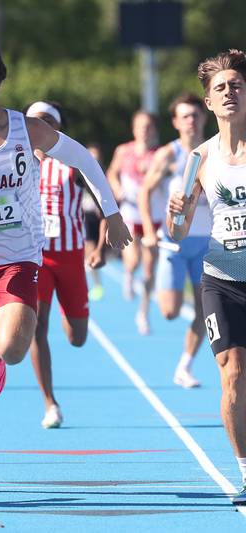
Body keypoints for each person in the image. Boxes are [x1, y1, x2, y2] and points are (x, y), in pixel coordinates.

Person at [0, 39, 131, 493]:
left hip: (17, 257)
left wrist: (111, 212)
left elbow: (84, 161)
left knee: (15, 347)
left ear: (0, 87)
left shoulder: (26, 130)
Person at [168, 49, 246, 505]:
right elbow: (177, 230)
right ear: (208, 103)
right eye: (220, 88)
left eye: (236, 84)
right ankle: (244, 471)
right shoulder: (200, 157)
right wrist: (177, 214)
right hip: (221, 277)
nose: (229, 92)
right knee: (232, 373)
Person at [24, 101, 107, 429]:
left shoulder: (72, 165)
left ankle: (65, 307)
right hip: (36, 257)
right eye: (34, 121)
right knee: (36, 328)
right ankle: (50, 403)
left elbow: (104, 204)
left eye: (46, 121)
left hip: (71, 258)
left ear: (56, 128)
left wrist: (99, 247)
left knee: (77, 338)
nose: (39, 127)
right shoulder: (18, 162)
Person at [139, 93, 210, 389]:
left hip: (209, 243)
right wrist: (147, 228)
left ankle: (185, 365)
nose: (191, 121)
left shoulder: (215, 152)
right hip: (175, 243)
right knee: (169, 311)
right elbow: (145, 192)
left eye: (195, 115)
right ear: (176, 122)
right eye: (185, 116)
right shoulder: (169, 154)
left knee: (205, 311)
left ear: (204, 117)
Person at [106, 110, 160, 334]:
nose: (144, 131)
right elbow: (111, 172)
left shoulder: (160, 154)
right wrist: (117, 188)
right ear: (134, 129)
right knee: (133, 260)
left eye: (148, 127)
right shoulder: (123, 151)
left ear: (154, 130)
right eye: (140, 127)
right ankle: (129, 273)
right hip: (129, 212)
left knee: (149, 270)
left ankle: (143, 313)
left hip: (152, 216)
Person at [84, 143, 107, 301]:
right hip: (83, 216)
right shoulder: (78, 172)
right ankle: (95, 283)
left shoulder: (102, 176)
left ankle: (96, 283)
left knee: (93, 253)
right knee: (88, 253)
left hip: (97, 219)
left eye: (96, 157)